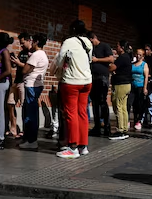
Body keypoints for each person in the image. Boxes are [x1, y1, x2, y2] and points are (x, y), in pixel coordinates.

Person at [52, 20, 93, 159]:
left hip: (71, 82)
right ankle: (83, 146)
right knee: (83, 113)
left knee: (71, 114)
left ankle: (72, 147)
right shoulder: (88, 42)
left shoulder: (69, 41)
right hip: (87, 81)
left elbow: (59, 61)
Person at [16, 34, 49, 150]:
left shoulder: (36, 55)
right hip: (37, 85)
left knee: (30, 113)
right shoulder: (43, 54)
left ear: (37, 42)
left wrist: (23, 66)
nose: (32, 43)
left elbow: (25, 69)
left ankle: (31, 140)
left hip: (31, 85)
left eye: (33, 41)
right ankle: (29, 138)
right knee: (32, 111)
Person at [88, 31, 115, 137]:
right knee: (95, 103)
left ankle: (107, 127)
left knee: (102, 102)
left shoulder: (104, 46)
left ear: (94, 38)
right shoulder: (91, 49)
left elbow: (111, 58)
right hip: (93, 77)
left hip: (102, 77)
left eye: (91, 41)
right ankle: (97, 126)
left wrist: (97, 60)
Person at [7, 32, 31, 139]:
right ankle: (13, 128)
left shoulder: (32, 53)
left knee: (24, 106)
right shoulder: (21, 53)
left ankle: (25, 130)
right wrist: (14, 62)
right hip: (16, 80)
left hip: (24, 82)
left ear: (28, 40)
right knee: (10, 103)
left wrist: (18, 63)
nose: (21, 45)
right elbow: (19, 65)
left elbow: (29, 67)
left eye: (23, 43)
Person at [110, 40, 133, 139]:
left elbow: (112, 68)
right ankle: (124, 128)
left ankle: (120, 130)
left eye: (118, 46)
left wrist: (111, 61)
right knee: (123, 107)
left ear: (122, 48)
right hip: (127, 84)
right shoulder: (127, 57)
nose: (116, 48)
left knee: (118, 106)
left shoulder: (122, 57)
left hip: (121, 84)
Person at [129, 48, 150, 132]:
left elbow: (146, 77)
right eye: (137, 54)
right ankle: (134, 119)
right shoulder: (133, 64)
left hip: (140, 86)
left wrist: (145, 87)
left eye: (140, 55)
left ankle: (139, 120)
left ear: (143, 56)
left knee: (140, 104)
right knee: (133, 104)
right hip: (132, 86)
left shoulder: (144, 65)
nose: (138, 56)